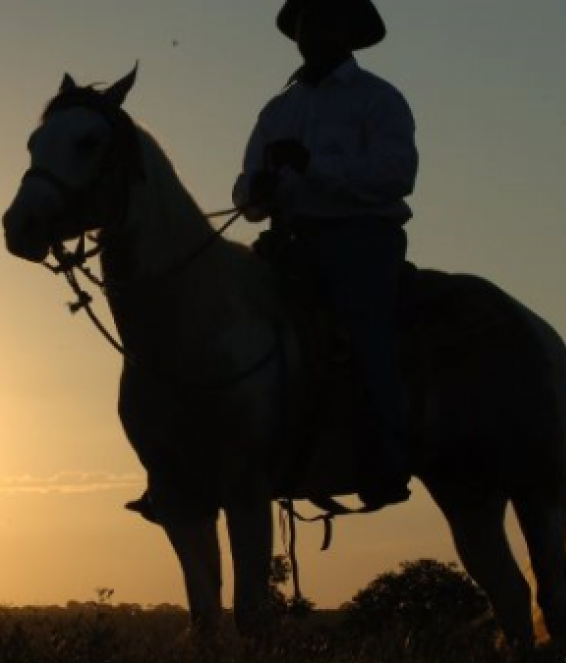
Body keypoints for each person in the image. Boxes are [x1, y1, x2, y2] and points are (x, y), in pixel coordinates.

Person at [232, 0, 419, 510]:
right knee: (219, 323)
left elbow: (396, 174)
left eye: (322, 19)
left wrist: (312, 166)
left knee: (366, 333)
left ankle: (387, 459)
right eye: (304, 21)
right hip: (289, 239)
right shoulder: (278, 110)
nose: (310, 30)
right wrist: (258, 189)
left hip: (360, 239)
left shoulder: (378, 99)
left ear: (348, 32)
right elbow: (245, 192)